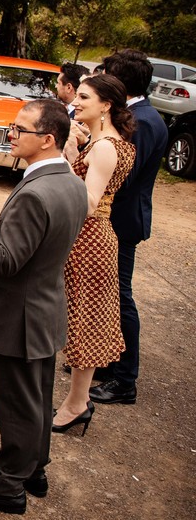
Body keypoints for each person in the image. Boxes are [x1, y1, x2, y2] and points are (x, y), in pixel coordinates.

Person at [0, 99, 88, 516]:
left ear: (47, 140)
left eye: (20, 130)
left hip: (18, 316)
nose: (11, 134)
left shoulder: (37, 192)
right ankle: (33, 468)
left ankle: (7, 487)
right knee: (37, 397)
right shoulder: (70, 181)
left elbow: (8, 259)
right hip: (45, 306)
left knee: (16, 403)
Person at [51, 73, 135, 436]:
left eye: (84, 97)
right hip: (92, 238)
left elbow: (87, 202)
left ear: (106, 105)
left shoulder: (104, 147)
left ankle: (77, 404)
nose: (76, 101)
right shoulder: (107, 141)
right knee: (82, 318)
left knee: (84, 321)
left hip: (89, 240)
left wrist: (68, 157)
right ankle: (78, 400)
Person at [91, 49, 168, 405]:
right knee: (107, 294)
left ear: (119, 82)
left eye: (107, 74)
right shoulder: (137, 115)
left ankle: (125, 380)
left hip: (122, 221)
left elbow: (124, 174)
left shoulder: (145, 121)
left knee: (120, 297)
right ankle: (107, 362)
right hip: (114, 219)